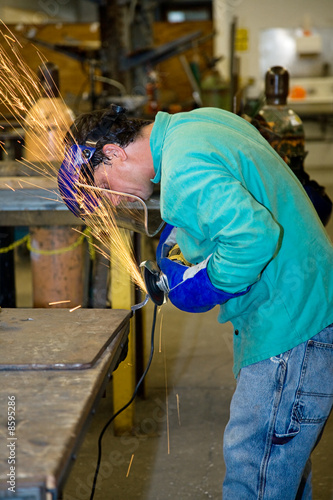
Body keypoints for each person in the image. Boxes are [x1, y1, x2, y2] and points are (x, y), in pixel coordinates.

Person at [58, 104, 333, 499]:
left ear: (115, 153)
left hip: (289, 328)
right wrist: (180, 238)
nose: (114, 202)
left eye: (105, 187)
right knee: (281, 474)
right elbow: (226, 199)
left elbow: (252, 238)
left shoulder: (183, 170)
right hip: (308, 308)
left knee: (253, 474)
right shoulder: (195, 124)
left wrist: (208, 283)